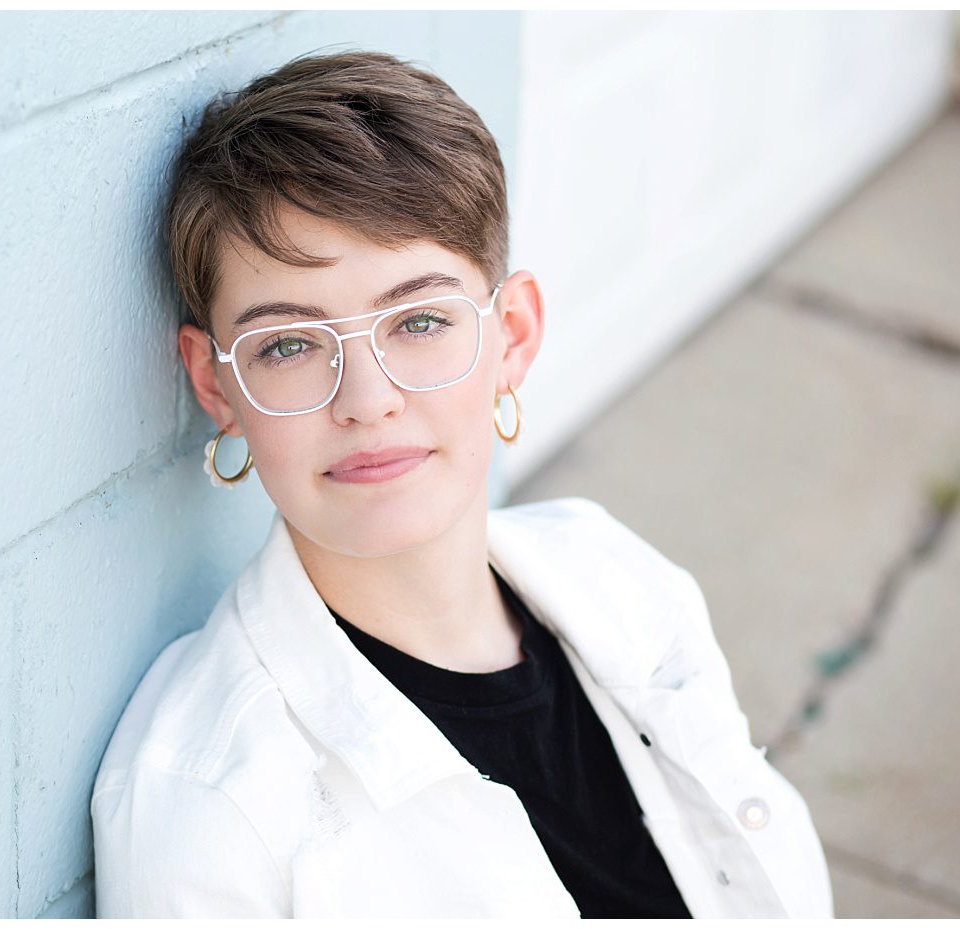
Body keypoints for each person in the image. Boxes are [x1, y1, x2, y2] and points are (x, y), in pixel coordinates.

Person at [89, 51, 832, 918]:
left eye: (420, 321)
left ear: (510, 336)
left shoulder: (622, 579)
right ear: (217, 386)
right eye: (287, 344)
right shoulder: (211, 801)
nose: (367, 401)